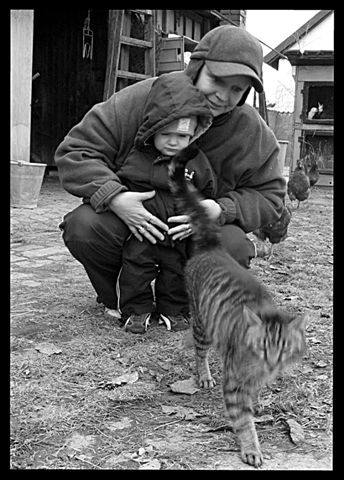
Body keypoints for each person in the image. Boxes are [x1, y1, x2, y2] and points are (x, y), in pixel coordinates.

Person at [56, 25, 285, 328]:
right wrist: (116, 197)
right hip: (133, 225)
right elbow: (76, 151)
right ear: (196, 68)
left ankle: (186, 305)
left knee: (235, 245)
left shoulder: (251, 131)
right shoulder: (141, 99)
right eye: (217, 80)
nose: (223, 96)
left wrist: (219, 209)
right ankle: (119, 298)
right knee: (83, 226)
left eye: (236, 89)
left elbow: (270, 195)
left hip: (196, 233)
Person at [116, 72, 214, 333]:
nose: (173, 142)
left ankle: (175, 310)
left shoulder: (196, 161)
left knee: (176, 270)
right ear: (152, 129)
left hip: (177, 231)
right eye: (166, 134)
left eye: (182, 137)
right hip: (144, 229)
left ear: (193, 135)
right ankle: (136, 311)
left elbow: (207, 192)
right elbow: (122, 182)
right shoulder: (138, 157)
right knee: (136, 268)